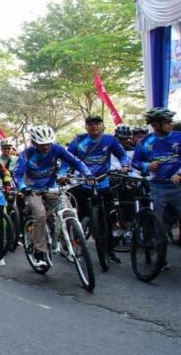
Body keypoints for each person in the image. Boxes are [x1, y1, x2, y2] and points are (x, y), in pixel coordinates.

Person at [14, 125, 92, 267]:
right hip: (32, 189)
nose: (46, 147)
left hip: (52, 186)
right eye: (42, 145)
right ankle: (39, 252)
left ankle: (68, 245)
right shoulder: (26, 154)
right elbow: (18, 174)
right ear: (34, 143)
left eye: (48, 144)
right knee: (40, 214)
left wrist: (88, 174)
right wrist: (23, 188)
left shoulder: (57, 149)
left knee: (67, 211)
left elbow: (75, 162)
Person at [62, 115, 129, 263]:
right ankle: (70, 245)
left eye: (97, 123)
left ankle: (110, 252)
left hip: (103, 182)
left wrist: (125, 166)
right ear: (86, 127)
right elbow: (66, 159)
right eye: (90, 124)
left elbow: (122, 155)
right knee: (77, 216)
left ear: (103, 126)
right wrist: (63, 173)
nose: (94, 126)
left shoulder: (110, 140)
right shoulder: (78, 140)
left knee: (109, 219)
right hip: (83, 183)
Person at [131, 108, 181, 245]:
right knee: (158, 225)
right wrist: (147, 166)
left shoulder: (178, 136)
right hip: (158, 186)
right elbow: (135, 161)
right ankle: (160, 260)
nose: (170, 124)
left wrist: (178, 173)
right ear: (154, 125)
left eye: (170, 121)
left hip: (178, 186)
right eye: (167, 122)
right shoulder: (145, 141)